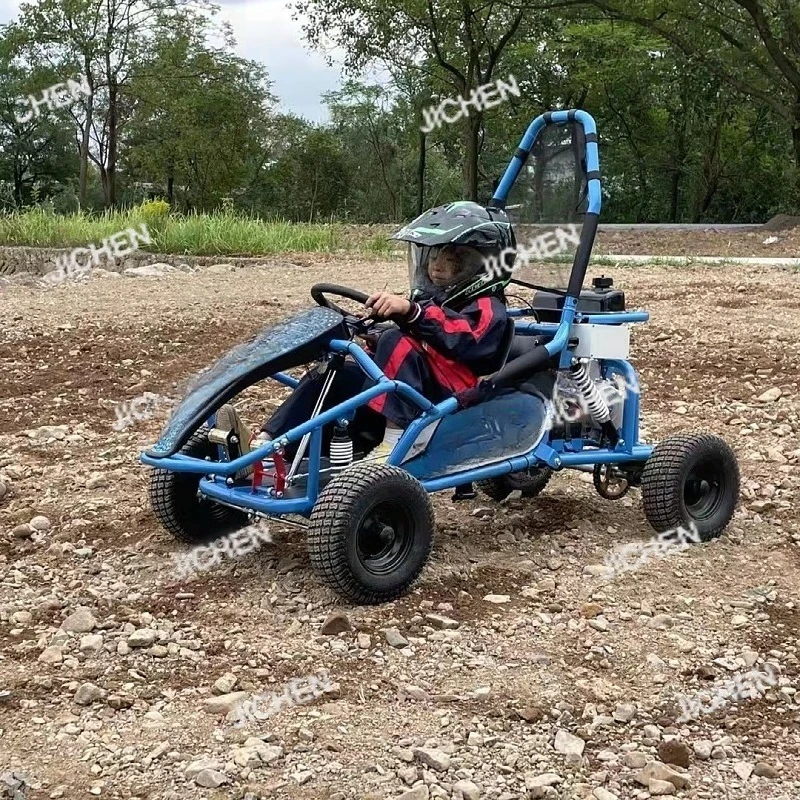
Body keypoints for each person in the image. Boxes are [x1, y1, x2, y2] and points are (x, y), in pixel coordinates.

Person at [215, 201, 517, 466]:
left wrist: (411, 314)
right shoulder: (435, 301)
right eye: (433, 256)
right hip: (417, 388)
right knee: (335, 370)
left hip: (450, 397)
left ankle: (398, 441)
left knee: (394, 343)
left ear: (481, 264)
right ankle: (264, 447)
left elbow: (465, 338)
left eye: (453, 258)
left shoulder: (488, 307)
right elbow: (428, 333)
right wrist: (374, 327)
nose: (437, 265)